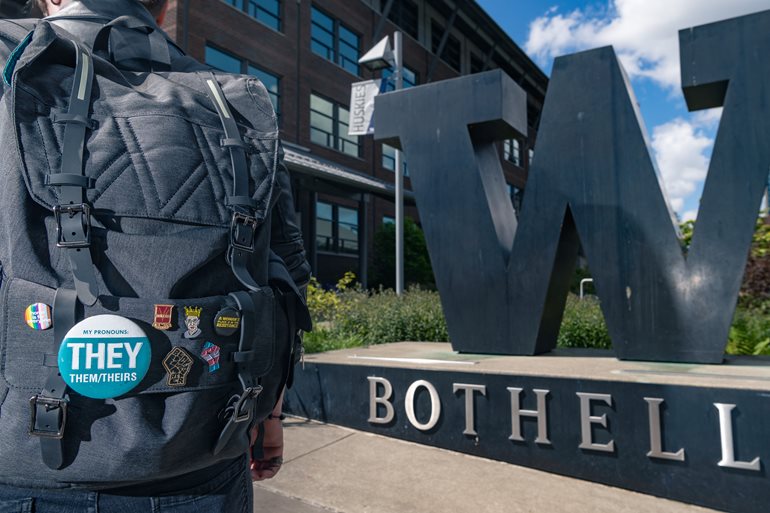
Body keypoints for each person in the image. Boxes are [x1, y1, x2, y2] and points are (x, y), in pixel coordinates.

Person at [0, 0, 310, 510]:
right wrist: (269, 418)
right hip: (208, 455)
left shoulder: (12, 61)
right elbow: (283, 278)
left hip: (27, 466)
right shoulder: (237, 101)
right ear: (166, 6)